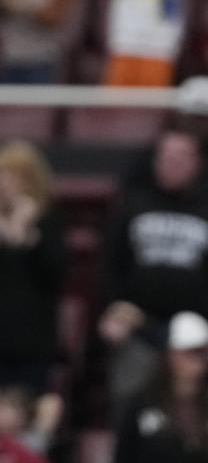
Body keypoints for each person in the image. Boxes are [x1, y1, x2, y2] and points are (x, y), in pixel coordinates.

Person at [99, 127, 208, 424]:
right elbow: (110, 263)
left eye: (182, 156)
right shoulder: (133, 204)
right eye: (167, 155)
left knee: (194, 417)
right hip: (138, 328)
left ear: (198, 162)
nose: (173, 162)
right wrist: (113, 308)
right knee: (131, 410)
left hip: (198, 335)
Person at [0, 140, 64, 395]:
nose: (0, 182)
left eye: (8, 175)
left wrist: (25, 235)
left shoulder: (48, 222)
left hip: (32, 340)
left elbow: (55, 274)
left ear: (29, 180)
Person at [115, 311, 208, 463]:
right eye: (192, 352)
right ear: (171, 354)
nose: (200, 359)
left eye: (204, 352)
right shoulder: (141, 403)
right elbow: (124, 453)